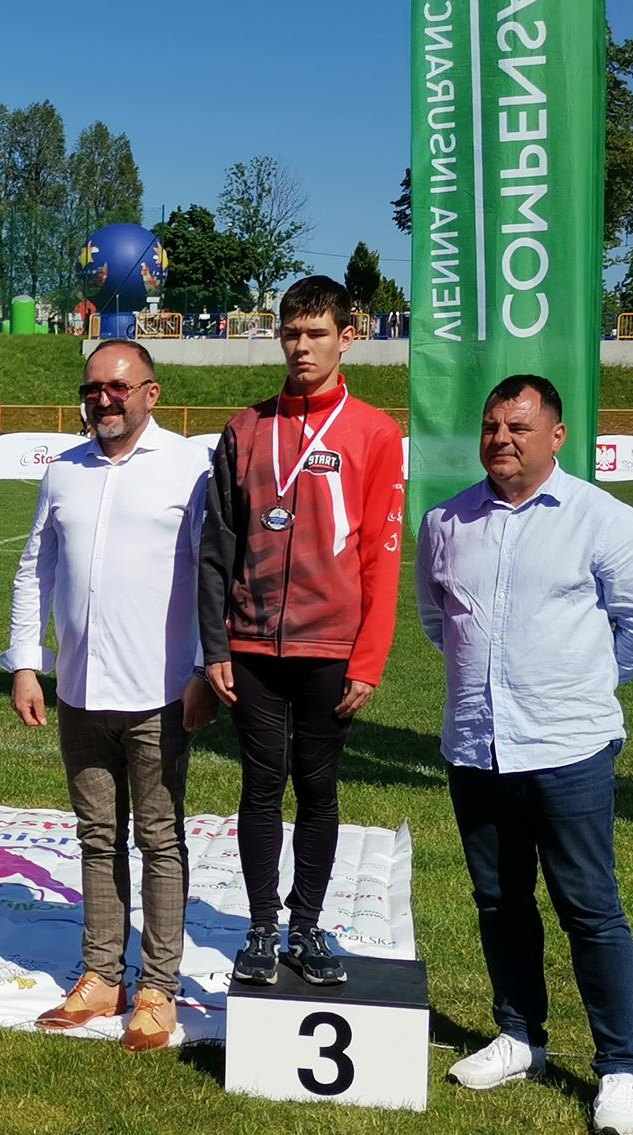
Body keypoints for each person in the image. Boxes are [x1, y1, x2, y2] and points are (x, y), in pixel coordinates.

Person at [416, 375, 633, 1135]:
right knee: (498, 902)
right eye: (491, 426)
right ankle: (517, 1035)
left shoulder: (604, 521)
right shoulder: (445, 521)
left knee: (589, 909)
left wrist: (582, 683)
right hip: (476, 746)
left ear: (555, 436)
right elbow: (437, 620)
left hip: (568, 749)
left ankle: (619, 1067)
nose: (501, 439)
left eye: (518, 427)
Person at [2, 340, 216, 1052]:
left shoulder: (189, 466)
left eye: (118, 387)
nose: (103, 399)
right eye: (92, 388)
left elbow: (211, 575)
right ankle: (101, 975)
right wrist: (26, 663)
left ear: (151, 393)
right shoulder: (65, 470)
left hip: (160, 691)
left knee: (159, 838)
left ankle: (158, 986)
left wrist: (201, 668)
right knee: (96, 836)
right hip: (80, 690)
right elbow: (34, 568)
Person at [199, 274, 404, 988]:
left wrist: (367, 661)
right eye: (290, 333)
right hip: (251, 644)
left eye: (316, 333)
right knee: (260, 785)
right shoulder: (246, 428)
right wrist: (215, 646)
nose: (301, 347)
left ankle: (306, 926)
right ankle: (261, 928)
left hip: (331, 647)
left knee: (318, 789)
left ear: (348, 337)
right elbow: (216, 546)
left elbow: (382, 554)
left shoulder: (375, 433)